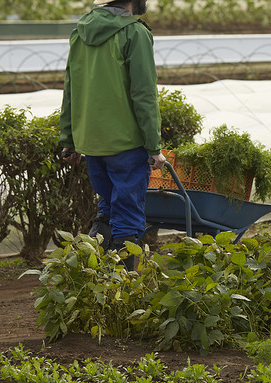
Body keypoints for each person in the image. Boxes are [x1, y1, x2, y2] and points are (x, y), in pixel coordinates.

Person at [59, 0, 166, 270]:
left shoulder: (80, 33)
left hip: (91, 142)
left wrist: (69, 140)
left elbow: (70, 88)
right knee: (128, 213)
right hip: (125, 143)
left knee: (108, 207)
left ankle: (99, 276)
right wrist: (154, 147)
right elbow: (144, 95)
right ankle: (123, 285)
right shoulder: (134, 33)